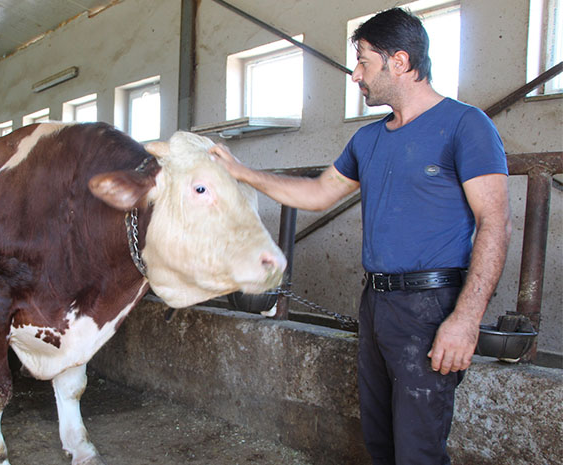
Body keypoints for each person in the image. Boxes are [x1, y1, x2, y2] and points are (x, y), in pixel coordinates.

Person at [209, 7, 510, 465]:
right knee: (381, 441)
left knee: (418, 450)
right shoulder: (368, 140)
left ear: (401, 62)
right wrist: (239, 171)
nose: (356, 76)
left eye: (364, 62)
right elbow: (315, 193)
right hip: (376, 303)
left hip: (432, 303)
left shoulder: (466, 126)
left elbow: (496, 222)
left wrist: (466, 319)